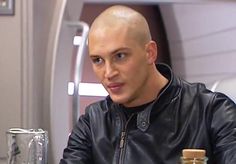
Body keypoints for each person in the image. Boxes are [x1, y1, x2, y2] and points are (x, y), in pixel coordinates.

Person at [60, 5, 236, 164]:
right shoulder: (93, 122)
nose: (108, 73)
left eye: (120, 56)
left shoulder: (212, 112)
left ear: (150, 53)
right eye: (98, 60)